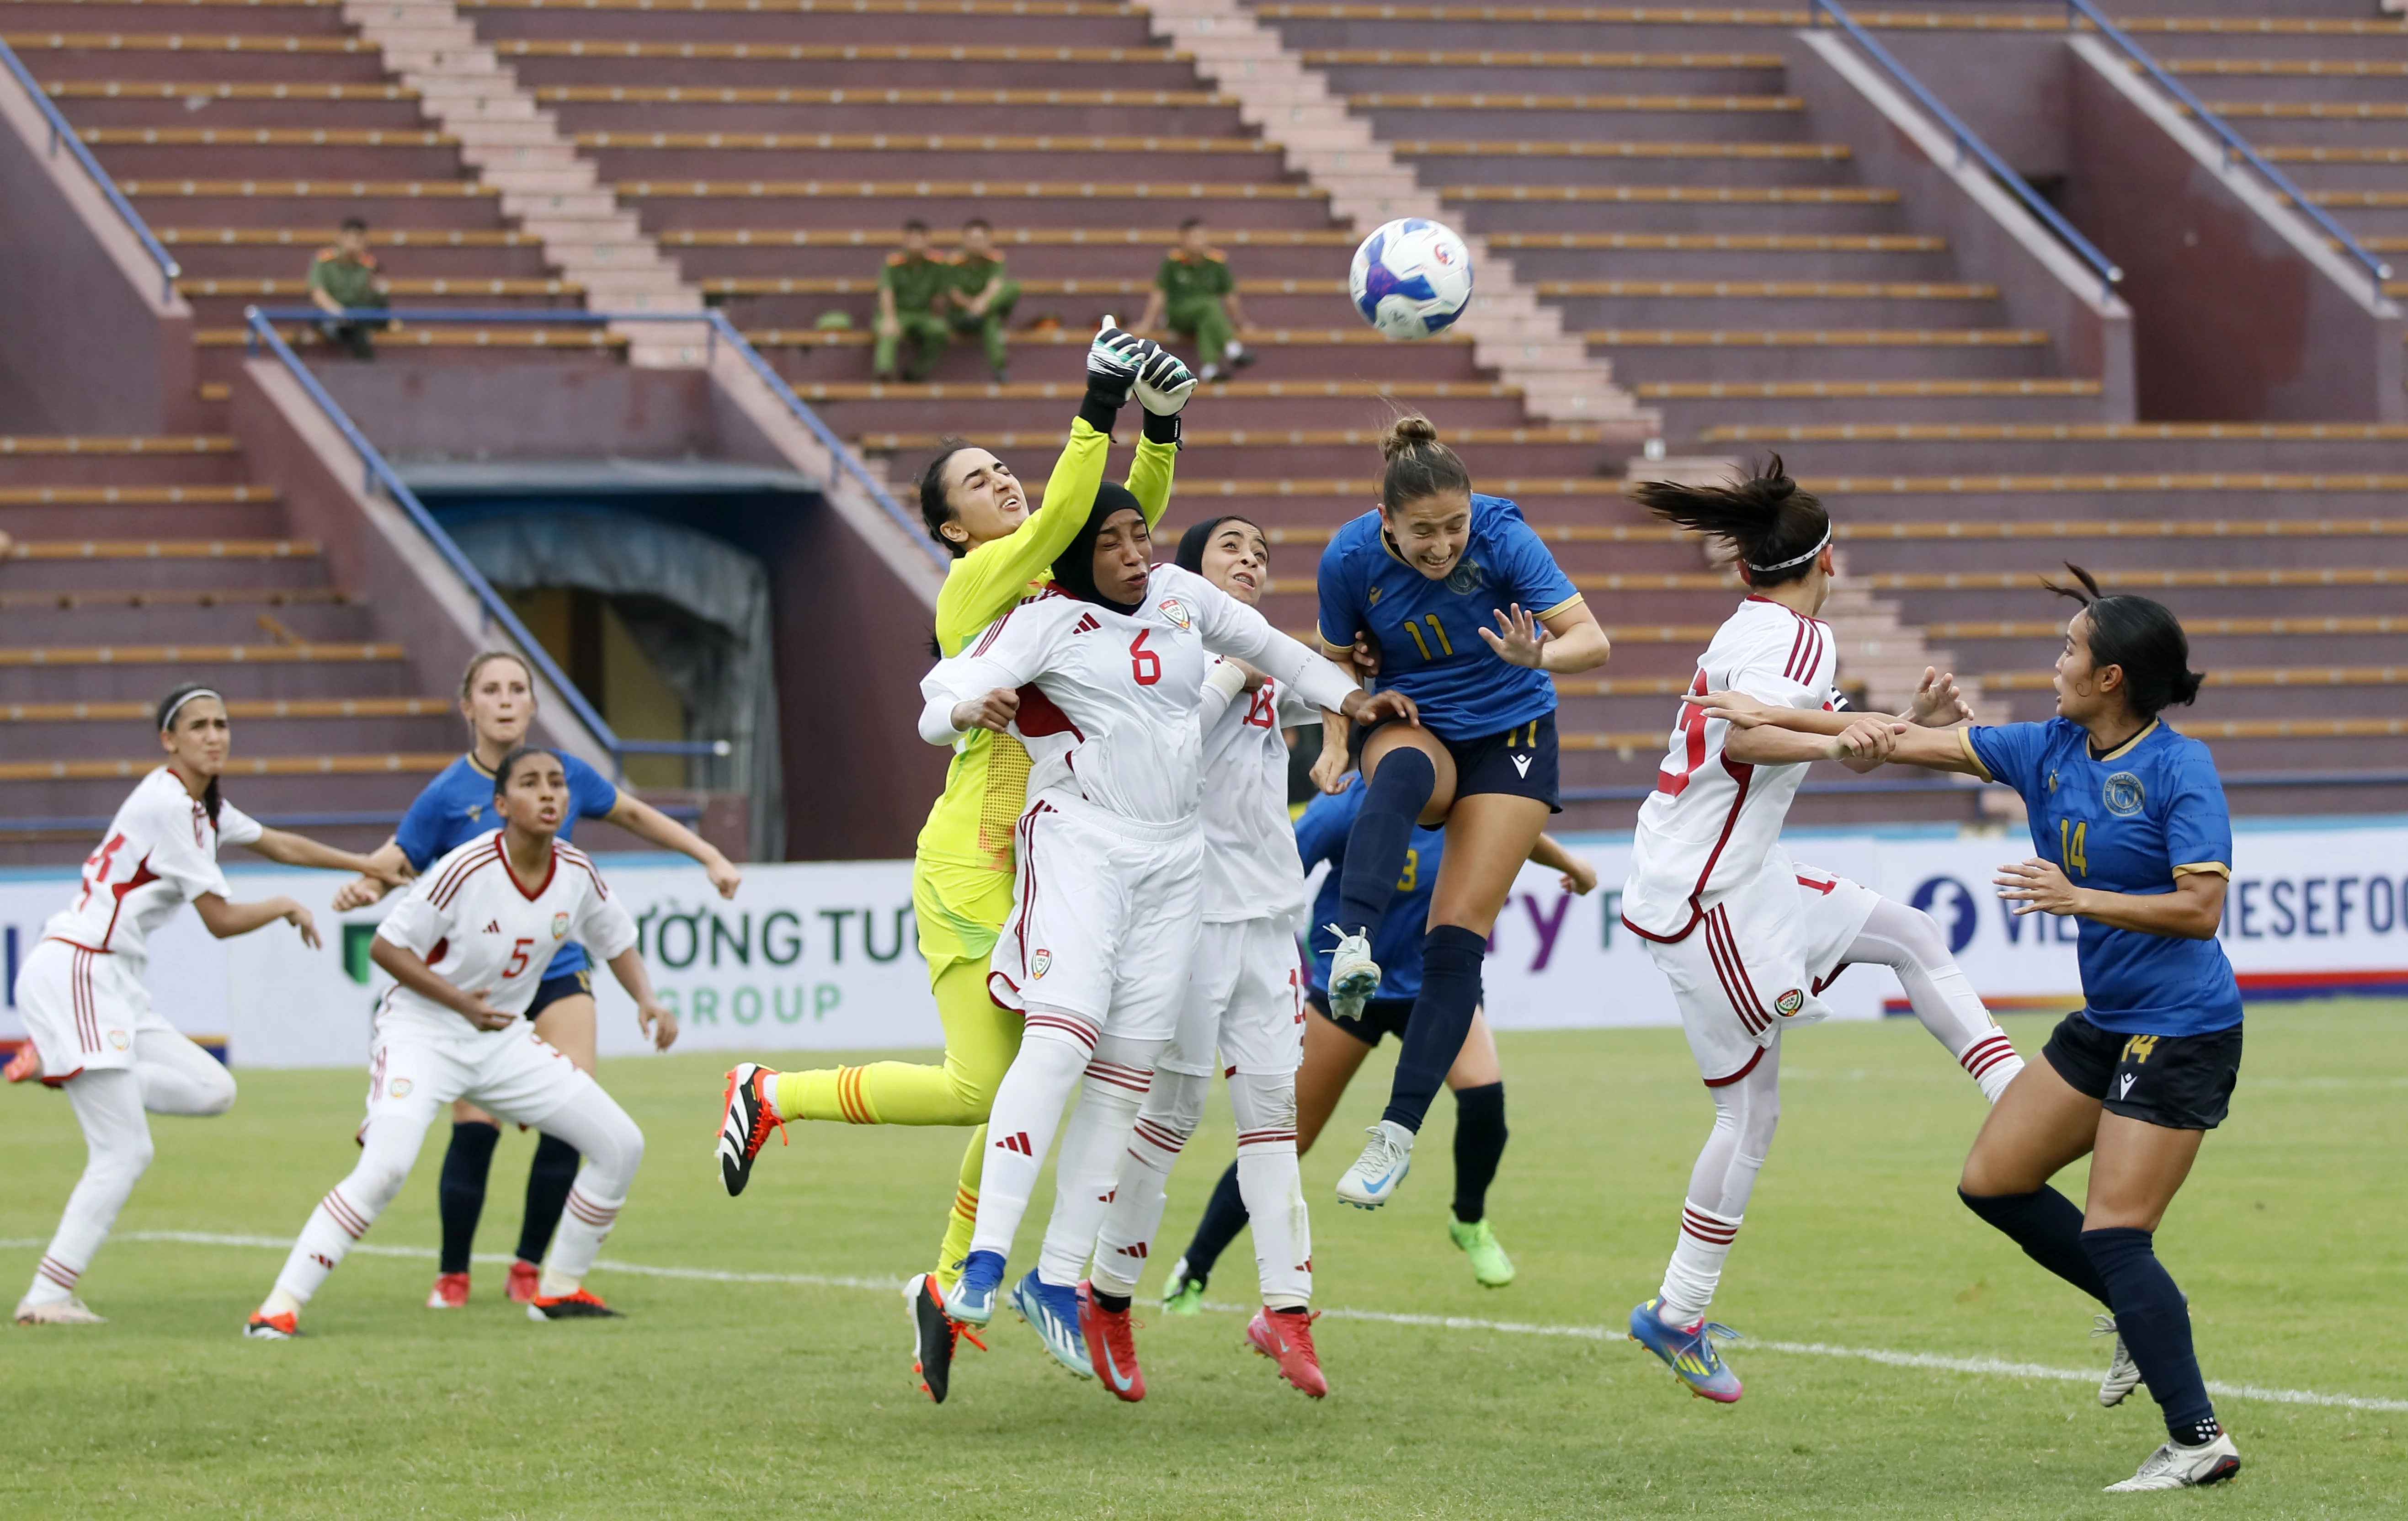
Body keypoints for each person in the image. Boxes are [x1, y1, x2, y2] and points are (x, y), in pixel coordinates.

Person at [714, 323, 1195, 1405]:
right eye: (979, 480)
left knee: (1034, 1082)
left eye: (1003, 466)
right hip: (972, 868)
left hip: (1053, 869)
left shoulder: (1050, 575)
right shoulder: (977, 583)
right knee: (994, 1082)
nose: (1004, 480)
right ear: (949, 526)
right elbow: (1077, 508)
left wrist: (1155, 426)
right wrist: (1094, 404)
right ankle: (772, 1091)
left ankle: (945, 1282)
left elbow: (1125, 520)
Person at [1688, 564, 2243, 1493]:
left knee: (2116, 1231)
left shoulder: (2179, 766)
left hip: (2182, 1029)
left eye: (2072, 648)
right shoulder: (2048, 747)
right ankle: (2142, 1324)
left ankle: (2198, 1438)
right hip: (2110, 1021)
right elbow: (1907, 742)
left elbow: (2200, 909)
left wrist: (2080, 896)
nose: (2057, 660)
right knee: (1995, 1179)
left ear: (2112, 678)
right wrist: (1798, 717)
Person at [915, 486, 1411, 1392]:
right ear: (1076, 555)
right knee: (1084, 1056)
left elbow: (1279, 654)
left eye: (1141, 533)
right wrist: (963, 709)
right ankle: (1005, 1266)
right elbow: (942, 690)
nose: (1136, 551)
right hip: (1090, 847)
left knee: (1154, 1081)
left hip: (1206, 884)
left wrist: (1352, 702)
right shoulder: (1051, 620)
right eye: (1112, 539)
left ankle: (1080, 1280)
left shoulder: (1187, 605)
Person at [1614, 460, 2026, 1405]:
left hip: (1734, 875)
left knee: (1913, 934)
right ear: (1826, 557)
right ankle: (1678, 1311)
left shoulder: (1763, 630)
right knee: (1747, 1116)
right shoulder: (1799, 635)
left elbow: (1797, 728)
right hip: (1709, 897)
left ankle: (2020, 1097)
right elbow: (1750, 740)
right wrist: (1846, 736)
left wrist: (1890, 725)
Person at [331, 649, 740, 1311]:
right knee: (478, 1126)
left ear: (531, 704)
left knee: (573, 1116)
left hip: (556, 971)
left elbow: (634, 814)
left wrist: (709, 853)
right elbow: (399, 856)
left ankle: (531, 1268)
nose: (504, 699)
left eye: (517, 688)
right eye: (490, 689)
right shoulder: (445, 796)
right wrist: (364, 881)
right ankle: (453, 1274)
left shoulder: (566, 774)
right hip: (479, 986)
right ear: (468, 706)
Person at [245, 745, 677, 1338]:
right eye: (531, 783)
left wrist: (647, 999)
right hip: (423, 1033)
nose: (549, 793)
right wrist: (462, 1004)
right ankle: (277, 1308)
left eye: (557, 783)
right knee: (386, 1170)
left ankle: (557, 1291)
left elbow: (615, 939)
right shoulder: (467, 866)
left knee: (621, 1144)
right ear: (501, 805)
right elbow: (386, 948)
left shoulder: (575, 871)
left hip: (500, 1040)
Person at [8, 684, 400, 1325]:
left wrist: (365, 864)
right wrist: (282, 906)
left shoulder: (203, 807)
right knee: (125, 1152)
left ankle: (61, 1058)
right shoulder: (168, 803)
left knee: (214, 1090)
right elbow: (218, 920)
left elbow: (276, 843)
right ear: (170, 741)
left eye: (222, 724)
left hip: (113, 986)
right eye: (198, 726)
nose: (215, 735)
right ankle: (48, 1295)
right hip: (81, 971)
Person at [1306, 414, 1613, 1212]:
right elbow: (1333, 653)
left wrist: (1535, 653)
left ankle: (1393, 1136)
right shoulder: (1346, 557)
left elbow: (1592, 640)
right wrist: (1339, 734)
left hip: (1512, 732)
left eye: (1454, 527)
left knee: (1457, 937)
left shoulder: (1505, 535)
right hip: (1415, 717)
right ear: (1386, 524)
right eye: (1422, 533)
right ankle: (1353, 945)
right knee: (1401, 767)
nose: (1441, 546)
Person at [1157, 776, 1597, 1317]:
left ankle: (1469, 1220)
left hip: (1437, 985)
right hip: (1351, 992)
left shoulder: (1466, 785)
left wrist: (1572, 868)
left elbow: (1511, 827)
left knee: (1485, 1101)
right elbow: (1284, 863)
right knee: (1285, 1140)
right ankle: (1194, 1268)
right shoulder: (1348, 802)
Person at [1073, 514, 1334, 1400]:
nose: (1254, 560)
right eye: (1234, 547)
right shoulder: (1163, 657)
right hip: (1186, 916)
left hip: (1267, 918)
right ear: (1186, 576)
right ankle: (1106, 1296)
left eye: (1264, 551)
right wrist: (1233, 667)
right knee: (1175, 1112)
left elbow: (1331, 685)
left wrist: (1352, 690)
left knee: (1271, 1115)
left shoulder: (1261, 664)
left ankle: (1287, 1311)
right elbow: (1168, 747)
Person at [1137, 218, 1255, 383]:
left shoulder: (1217, 263)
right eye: (1195, 237)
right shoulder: (1172, 262)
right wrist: (1147, 324)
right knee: (1211, 305)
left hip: (1205, 316)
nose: (1201, 242)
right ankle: (1232, 348)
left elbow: (1230, 296)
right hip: (1178, 314)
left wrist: (1240, 322)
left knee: (1207, 318)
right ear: (1183, 238)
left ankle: (1210, 369)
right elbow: (1160, 294)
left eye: (1203, 236)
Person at [873, 219, 955, 383]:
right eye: (911, 239)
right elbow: (886, 292)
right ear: (904, 240)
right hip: (899, 312)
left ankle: (917, 371)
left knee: (939, 330)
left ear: (928, 240)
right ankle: (884, 371)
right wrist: (890, 318)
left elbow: (941, 294)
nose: (915, 243)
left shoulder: (939, 264)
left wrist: (940, 314)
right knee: (888, 330)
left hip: (923, 314)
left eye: (920, 238)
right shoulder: (893, 263)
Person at [307, 216, 391, 361]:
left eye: (359, 240)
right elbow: (318, 292)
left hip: (355, 314)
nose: (354, 245)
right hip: (332, 314)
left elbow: (374, 298)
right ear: (341, 238)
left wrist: (378, 288)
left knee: (376, 307)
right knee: (356, 328)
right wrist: (338, 311)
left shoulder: (368, 265)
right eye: (351, 239)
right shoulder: (324, 260)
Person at [947, 218, 1020, 383]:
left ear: (989, 241)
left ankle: (999, 367)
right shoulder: (953, 262)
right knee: (990, 319)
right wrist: (973, 307)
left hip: (983, 311)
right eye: (972, 239)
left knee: (1012, 288)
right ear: (964, 241)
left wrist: (981, 306)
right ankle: (1000, 366)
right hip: (961, 315)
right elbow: (953, 294)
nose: (975, 244)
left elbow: (995, 285)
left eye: (980, 240)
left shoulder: (995, 260)